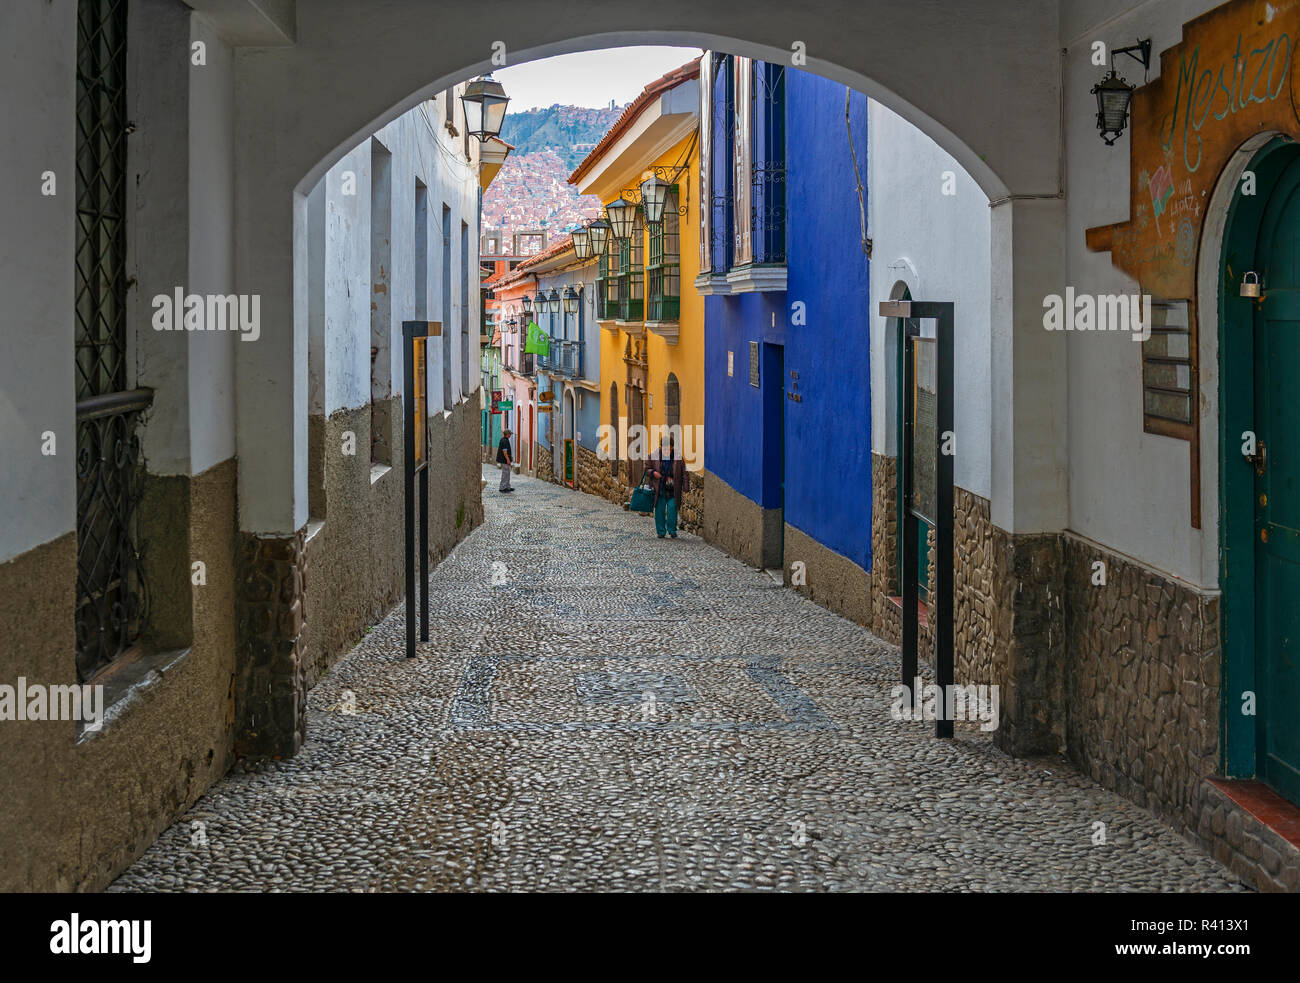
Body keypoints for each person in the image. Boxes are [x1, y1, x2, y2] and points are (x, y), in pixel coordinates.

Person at [646, 431, 688, 538]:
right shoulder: (654, 455)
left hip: (673, 489)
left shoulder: (678, 457)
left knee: (672, 509)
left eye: (668, 449)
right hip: (659, 488)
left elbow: (684, 473)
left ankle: (672, 530)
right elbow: (646, 469)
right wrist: (653, 473)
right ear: (661, 447)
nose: (666, 451)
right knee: (659, 511)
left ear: (672, 448)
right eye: (664, 449)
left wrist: (686, 486)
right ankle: (661, 531)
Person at [497, 428, 515, 493]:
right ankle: (502, 487)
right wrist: (508, 460)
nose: (510, 435)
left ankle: (507, 487)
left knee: (507, 473)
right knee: (505, 473)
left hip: (504, 460)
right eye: (510, 434)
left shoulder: (505, 440)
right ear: (507, 434)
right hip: (504, 460)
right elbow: (505, 452)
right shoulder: (505, 441)